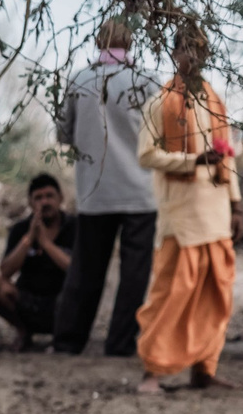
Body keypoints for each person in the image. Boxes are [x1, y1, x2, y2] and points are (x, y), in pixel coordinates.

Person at [134, 25, 240, 396]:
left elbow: (228, 156)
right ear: (175, 53)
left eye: (200, 49)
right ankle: (153, 372)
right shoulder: (159, 103)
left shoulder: (214, 100)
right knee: (171, 294)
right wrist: (193, 160)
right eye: (186, 49)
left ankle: (203, 370)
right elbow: (146, 155)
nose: (193, 56)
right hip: (181, 216)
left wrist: (236, 203)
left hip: (216, 214)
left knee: (216, 294)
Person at [52, 18, 162, 358]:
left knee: (86, 270)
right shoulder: (147, 81)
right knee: (134, 275)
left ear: (98, 41)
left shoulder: (79, 80)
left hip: (94, 192)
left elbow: (62, 134)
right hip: (140, 193)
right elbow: (163, 133)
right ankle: (120, 343)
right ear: (131, 43)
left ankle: (69, 341)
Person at [0, 174, 76, 349]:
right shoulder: (20, 229)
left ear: (60, 198)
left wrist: (46, 244)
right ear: (30, 203)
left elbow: (76, 270)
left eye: (49, 196)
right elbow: (6, 271)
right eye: (38, 198)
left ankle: (64, 337)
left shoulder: (75, 227)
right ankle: (23, 331)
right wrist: (28, 239)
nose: (44, 202)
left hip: (64, 303)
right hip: (28, 300)